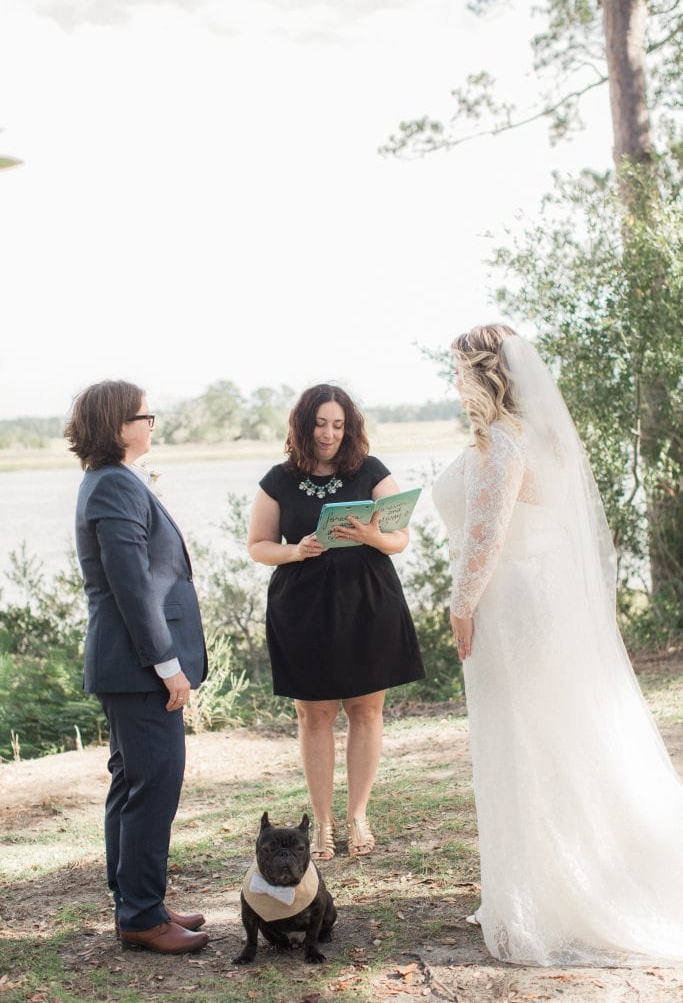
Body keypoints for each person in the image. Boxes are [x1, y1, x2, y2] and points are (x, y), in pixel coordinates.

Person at [432, 324, 683, 967]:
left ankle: (540, 900)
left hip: (508, 608)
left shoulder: (503, 441)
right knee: (545, 740)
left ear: (486, 376)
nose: (454, 382)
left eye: (460, 370)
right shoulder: (532, 438)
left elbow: (487, 534)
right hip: (530, 599)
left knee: (521, 744)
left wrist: (461, 604)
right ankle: (546, 884)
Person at [247, 384, 424, 860]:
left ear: (350, 428)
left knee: (366, 711)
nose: (329, 433)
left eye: (338, 424)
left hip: (368, 602)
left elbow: (402, 536)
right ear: (303, 425)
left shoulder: (370, 470)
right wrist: (295, 550)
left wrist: (373, 534)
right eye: (321, 423)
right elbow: (258, 545)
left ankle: (358, 815)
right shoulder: (278, 480)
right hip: (303, 608)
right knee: (315, 715)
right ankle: (322, 822)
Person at [65, 380, 209, 955]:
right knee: (154, 785)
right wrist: (167, 665)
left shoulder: (114, 482)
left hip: (128, 667)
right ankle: (141, 917)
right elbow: (133, 588)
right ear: (117, 424)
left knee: (133, 783)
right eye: (144, 415)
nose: (153, 422)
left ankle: (138, 901)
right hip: (137, 668)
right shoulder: (112, 488)